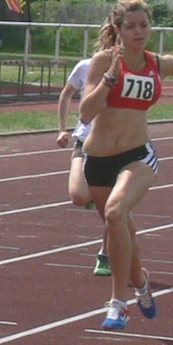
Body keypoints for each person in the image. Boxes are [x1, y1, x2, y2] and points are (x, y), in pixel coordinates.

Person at [79, 0, 173, 331]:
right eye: (130, 27)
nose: (138, 32)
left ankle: (117, 304)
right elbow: (85, 114)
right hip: (98, 160)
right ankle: (140, 283)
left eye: (144, 25)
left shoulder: (157, 63)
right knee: (123, 229)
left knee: (115, 212)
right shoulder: (102, 61)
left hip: (138, 154)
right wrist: (109, 79)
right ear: (118, 29)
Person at [56, 56, 110, 276]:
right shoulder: (85, 66)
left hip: (116, 145)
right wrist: (62, 129)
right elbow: (66, 94)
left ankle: (105, 254)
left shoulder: (134, 68)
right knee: (78, 196)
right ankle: (92, 196)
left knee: (113, 210)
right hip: (85, 139)